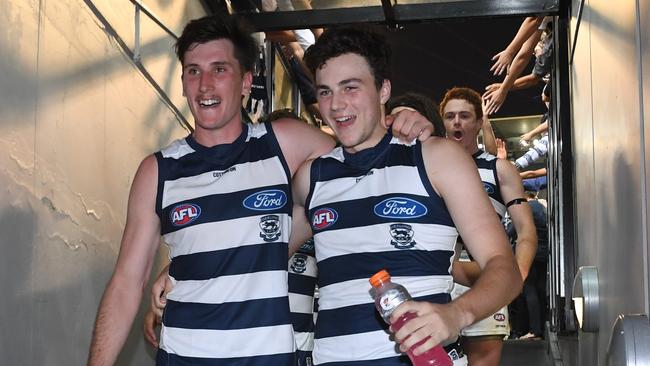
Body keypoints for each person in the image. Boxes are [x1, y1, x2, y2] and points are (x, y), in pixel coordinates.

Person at [88, 14, 435, 366]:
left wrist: (397, 119)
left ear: (245, 82)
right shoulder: (157, 170)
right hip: (183, 356)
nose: (205, 85)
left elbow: (359, 140)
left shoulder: (284, 142)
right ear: (182, 82)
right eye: (193, 71)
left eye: (220, 69)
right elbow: (126, 283)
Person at [292, 26, 521, 365]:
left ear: (383, 89)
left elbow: (505, 269)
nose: (336, 105)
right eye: (325, 92)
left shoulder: (437, 158)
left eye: (350, 88)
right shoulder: (312, 176)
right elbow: (259, 257)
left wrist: (456, 315)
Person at [440, 87, 537, 366]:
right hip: (435, 277)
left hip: (485, 277)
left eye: (465, 116)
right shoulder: (427, 166)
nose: (457, 122)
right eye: (450, 116)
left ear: (479, 122)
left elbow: (525, 229)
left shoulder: (499, 169)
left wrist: (517, 272)